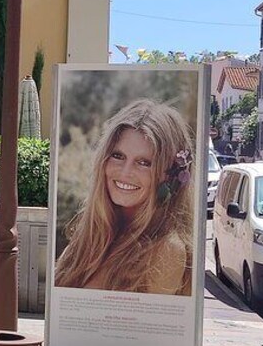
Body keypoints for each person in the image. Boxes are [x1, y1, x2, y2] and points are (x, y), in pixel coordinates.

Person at [55, 99, 194, 295]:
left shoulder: (167, 250)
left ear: (169, 175)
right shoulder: (92, 232)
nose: (125, 172)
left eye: (144, 162)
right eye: (118, 156)